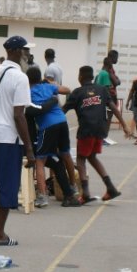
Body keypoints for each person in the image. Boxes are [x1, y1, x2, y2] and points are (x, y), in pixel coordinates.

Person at [0, 36, 36, 247]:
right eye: (26, 51)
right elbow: (19, 115)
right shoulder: (20, 78)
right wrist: (29, 148)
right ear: (18, 51)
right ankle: (0, 234)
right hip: (9, 138)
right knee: (8, 183)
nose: (28, 55)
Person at [63, 66, 131, 202]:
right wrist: (124, 125)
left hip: (86, 129)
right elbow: (113, 107)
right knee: (92, 157)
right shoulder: (102, 89)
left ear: (80, 77)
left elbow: (62, 110)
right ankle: (111, 188)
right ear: (92, 77)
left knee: (81, 159)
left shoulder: (77, 93)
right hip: (100, 129)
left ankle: (86, 193)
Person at [24, 67, 81, 207]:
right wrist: (54, 85)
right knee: (65, 153)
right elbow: (67, 90)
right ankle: (73, 187)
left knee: (40, 161)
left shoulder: (28, 93)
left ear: (27, 79)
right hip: (62, 121)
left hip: (48, 126)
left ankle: (43, 197)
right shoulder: (48, 87)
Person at [95, 52, 121, 145]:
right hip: (108, 96)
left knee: (108, 116)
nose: (117, 59)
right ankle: (103, 137)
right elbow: (116, 82)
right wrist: (116, 80)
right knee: (108, 117)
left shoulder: (107, 70)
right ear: (111, 58)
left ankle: (104, 136)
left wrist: (117, 80)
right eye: (116, 57)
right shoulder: (108, 70)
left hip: (110, 95)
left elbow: (117, 81)